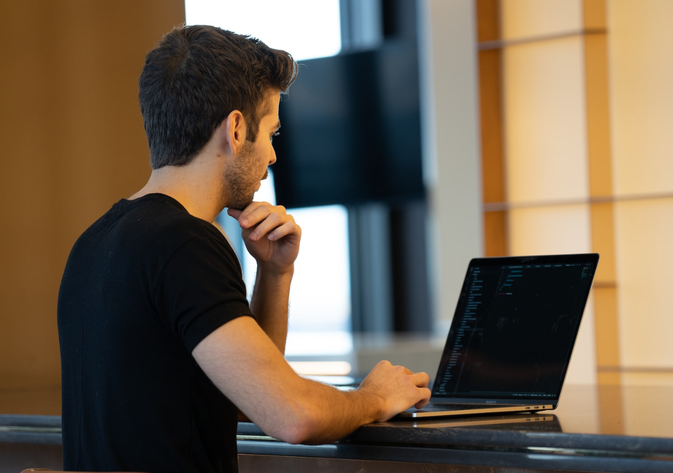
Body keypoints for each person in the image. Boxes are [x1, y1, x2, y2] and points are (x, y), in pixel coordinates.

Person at [57, 25, 431, 473]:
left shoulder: (95, 242)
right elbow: (295, 417)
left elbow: (242, 399)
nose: (273, 156)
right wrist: (373, 398)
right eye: (271, 132)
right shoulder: (184, 244)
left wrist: (274, 275)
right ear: (236, 129)